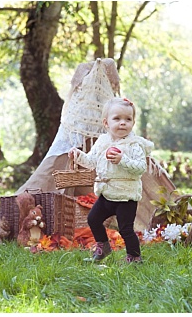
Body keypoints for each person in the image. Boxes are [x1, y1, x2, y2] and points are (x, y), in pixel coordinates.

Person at [71, 97, 153, 263]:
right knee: (93, 219)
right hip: (107, 193)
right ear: (106, 123)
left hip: (126, 196)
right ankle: (104, 247)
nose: (123, 123)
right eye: (117, 118)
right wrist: (78, 156)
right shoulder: (102, 142)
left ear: (133, 123)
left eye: (128, 119)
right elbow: (91, 161)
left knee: (125, 229)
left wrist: (122, 159)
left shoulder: (134, 145)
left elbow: (140, 168)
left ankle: (135, 257)